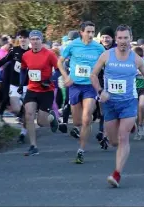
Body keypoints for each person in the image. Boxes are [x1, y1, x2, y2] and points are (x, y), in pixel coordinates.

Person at [90, 24, 144, 187]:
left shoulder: (136, 59)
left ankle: (117, 174)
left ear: (131, 39)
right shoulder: (106, 55)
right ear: (116, 39)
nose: (123, 41)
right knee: (113, 141)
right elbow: (93, 75)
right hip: (110, 104)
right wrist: (100, 90)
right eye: (120, 38)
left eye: (126, 38)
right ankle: (128, 127)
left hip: (128, 104)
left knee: (123, 138)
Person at [58, 21, 105, 164]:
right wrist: (66, 77)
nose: (91, 35)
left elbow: (107, 63)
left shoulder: (99, 48)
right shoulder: (72, 45)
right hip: (75, 86)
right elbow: (59, 62)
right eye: (88, 32)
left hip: (90, 86)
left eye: (93, 32)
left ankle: (81, 151)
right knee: (78, 121)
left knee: (86, 118)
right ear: (81, 32)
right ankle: (78, 128)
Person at [19, 30, 60, 156]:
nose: (35, 41)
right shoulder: (26, 55)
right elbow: (23, 70)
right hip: (32, 89)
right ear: (30, 41)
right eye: (33, 39)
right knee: (29, 115)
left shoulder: (49, 54)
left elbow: (59, 70)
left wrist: (50, 79)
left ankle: (52, 119)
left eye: (37, 39)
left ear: (41, 40)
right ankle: (33, 146)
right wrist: (21, 84)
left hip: (46, 91)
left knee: (41, 122)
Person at [0, 29, 30, 143]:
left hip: (28, 85)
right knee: (16, 108)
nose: (23, 39)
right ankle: (22, 115)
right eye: (21, 37)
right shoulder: (14, 51)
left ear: (28, 39)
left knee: (26, 110)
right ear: (18, 39)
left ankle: (23, 133)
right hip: (15, 84)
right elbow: (3, 61)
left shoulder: (32, 52)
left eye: (25, 37)